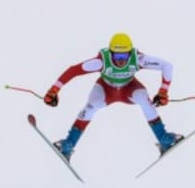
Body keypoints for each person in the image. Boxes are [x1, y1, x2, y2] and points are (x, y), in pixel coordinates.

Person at [43, 32, 183, 162]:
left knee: (144, 99)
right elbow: (73, 71)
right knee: (90, 107)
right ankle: (67, 145)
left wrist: (163, 91)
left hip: (129, 88)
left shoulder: (138, 59)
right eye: (117, 56)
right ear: (110, 53)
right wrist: (54, 89)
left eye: (125, 56)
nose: (121, 60)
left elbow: (167, 66)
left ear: (131, 53)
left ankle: (164, 139)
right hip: (105, 89)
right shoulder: (101, 61)